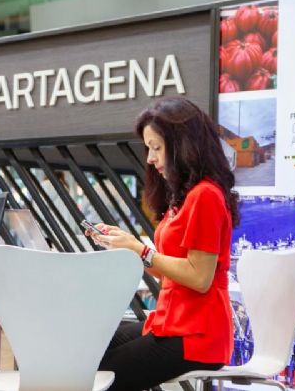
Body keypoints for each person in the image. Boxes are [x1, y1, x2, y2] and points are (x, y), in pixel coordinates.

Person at [86, 97, 239, 390]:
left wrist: (140, 250)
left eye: (157, 148)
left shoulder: (204, 196)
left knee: (97, 372)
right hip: (172, 324)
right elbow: (172, 271)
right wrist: (127, 247)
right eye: (149, 148)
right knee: (88, 345)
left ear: (183, 145)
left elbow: (199, 277)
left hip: (197, 337)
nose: (150, 158)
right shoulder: (183, 198)